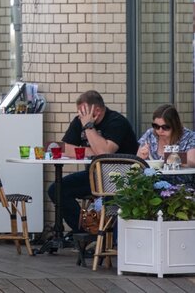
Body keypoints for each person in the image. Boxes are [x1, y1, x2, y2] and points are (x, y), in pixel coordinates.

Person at [47, 90, 138, 233]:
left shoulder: (117, 122)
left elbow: (104, 153)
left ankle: (103, 236)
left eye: (83, 112)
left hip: (120, 178)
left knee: (109, 201)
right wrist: (92, 150)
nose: (80, 116)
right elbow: (65, 148)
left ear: (97, 111)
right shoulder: (80, 120)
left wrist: (89, 127)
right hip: (94, 175)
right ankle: (85, 231)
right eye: (79, 112)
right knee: (56, 190)